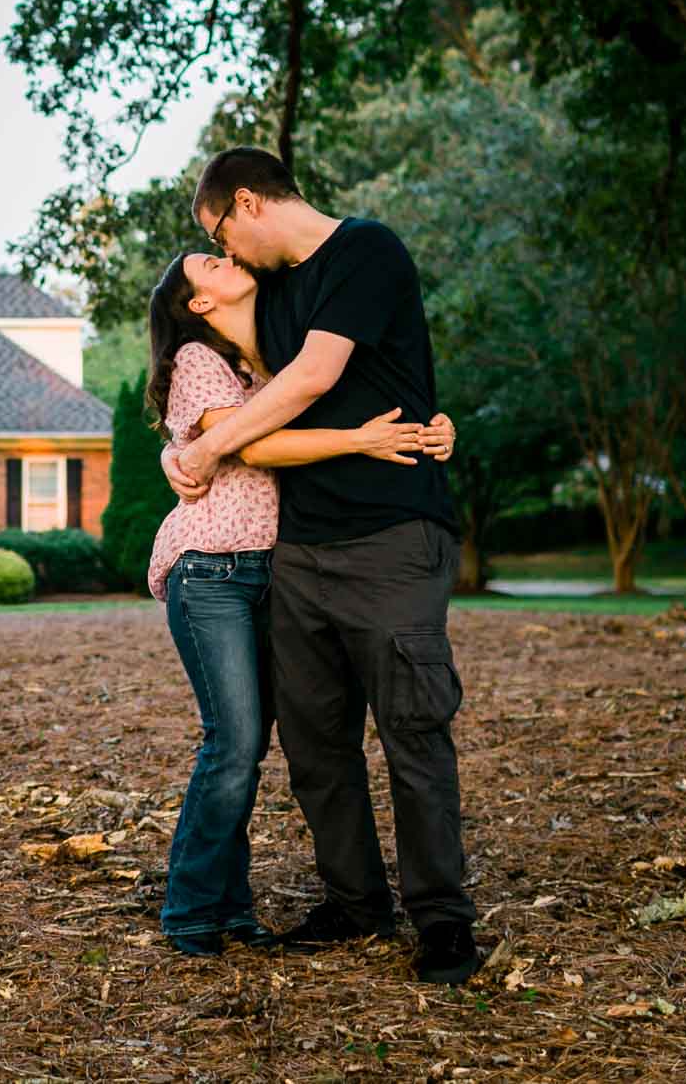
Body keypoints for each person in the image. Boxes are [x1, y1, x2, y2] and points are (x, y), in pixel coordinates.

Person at [163, 145, 484, 985]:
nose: (228, 254)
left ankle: (442, 919)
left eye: (221, 232)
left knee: (412, 729)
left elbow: (310, 376)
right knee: (314, 744)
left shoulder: (366, 251)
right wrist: (187, 447)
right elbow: (245, 400)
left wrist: (206, 448)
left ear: (247, 202)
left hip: (391, 536)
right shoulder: (271, 298)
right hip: (300, 550)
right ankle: (354, 900)